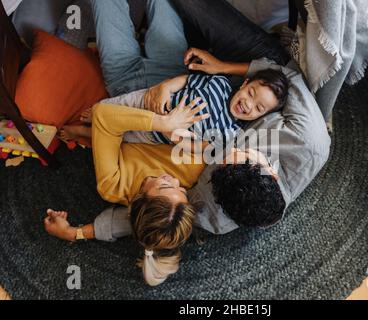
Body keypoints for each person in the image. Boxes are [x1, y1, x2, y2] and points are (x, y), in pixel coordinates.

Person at [45, 0, 331, 285]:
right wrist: (222, 68)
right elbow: (284, 74)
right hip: (210, 78)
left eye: (223, 158)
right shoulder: (309, 140)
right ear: (271, 168)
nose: (227, 150)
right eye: (237, 153)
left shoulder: (212, 206)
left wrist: (78, 233)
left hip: (135, 97)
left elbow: (148, 220)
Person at [60, 68, 290, 151]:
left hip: (154, 133)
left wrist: (174, 138)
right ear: (244, 84)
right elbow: (185, 81)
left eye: (258, 108)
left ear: (261, 116)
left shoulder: (230, 132)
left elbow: (199, 147)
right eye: (250, 93)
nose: (248, 104)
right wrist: (166, 88)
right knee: (109, 108)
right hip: (149, 104)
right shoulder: (218, 84)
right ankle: (98, 113)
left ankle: (83, 134)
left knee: (117, 136)